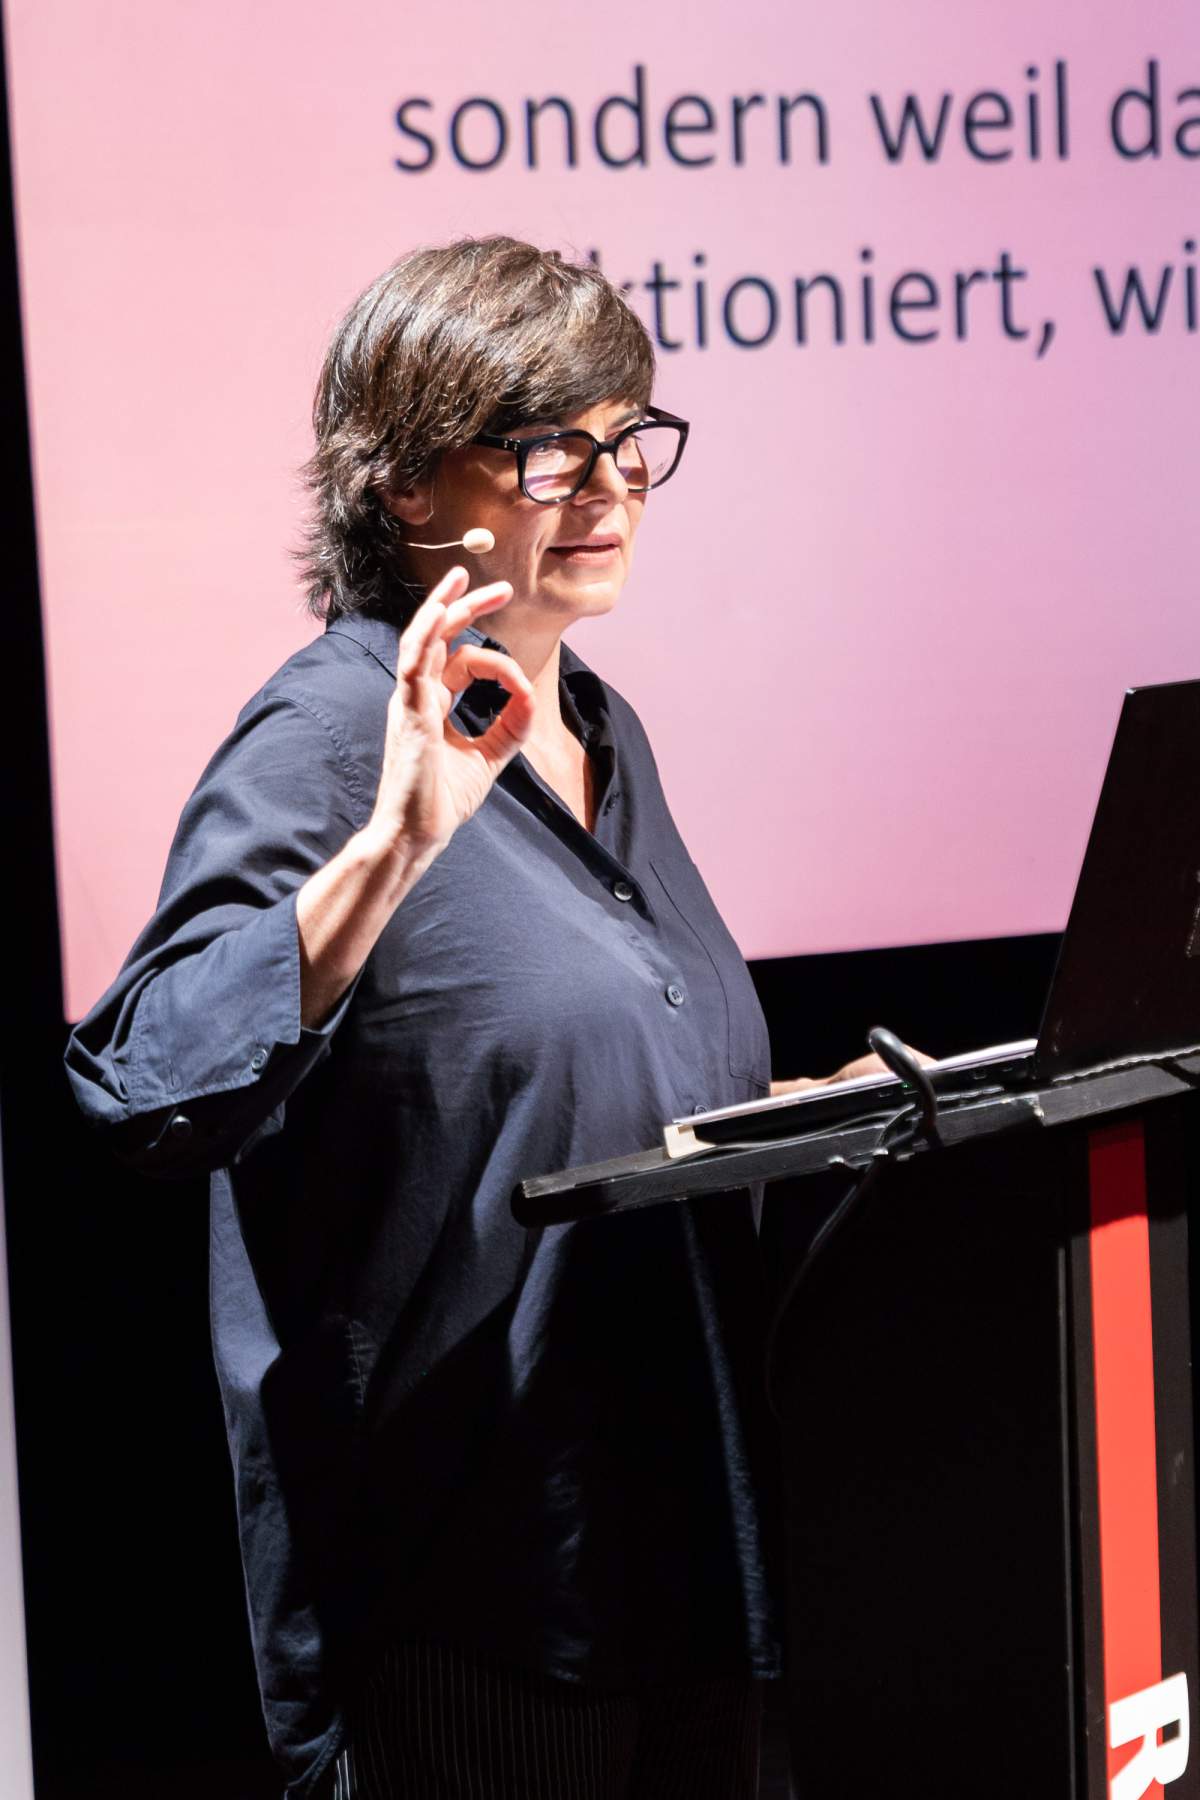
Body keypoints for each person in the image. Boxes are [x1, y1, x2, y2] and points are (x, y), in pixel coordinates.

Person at [66, 237, 878, 1800]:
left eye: (628, 439)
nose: (609, 486)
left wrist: (787, 1118)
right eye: (547, 447)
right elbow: (145, 1079)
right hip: (472, 1606)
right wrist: (392, 847)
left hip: (673, 1554)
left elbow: (541, 1083)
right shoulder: (329, 735)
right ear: (401, 486)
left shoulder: (598, 727)